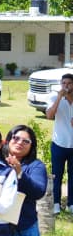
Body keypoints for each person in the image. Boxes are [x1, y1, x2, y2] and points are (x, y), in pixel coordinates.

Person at [45, 73, 73, 213]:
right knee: (57, 174)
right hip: (59, 143)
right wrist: (59, 98)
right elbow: (49, 115)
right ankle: (56, 203)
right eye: (64, 83)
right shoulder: (54, 97)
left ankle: (71, 204)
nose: (66, 86)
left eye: (69, 83)